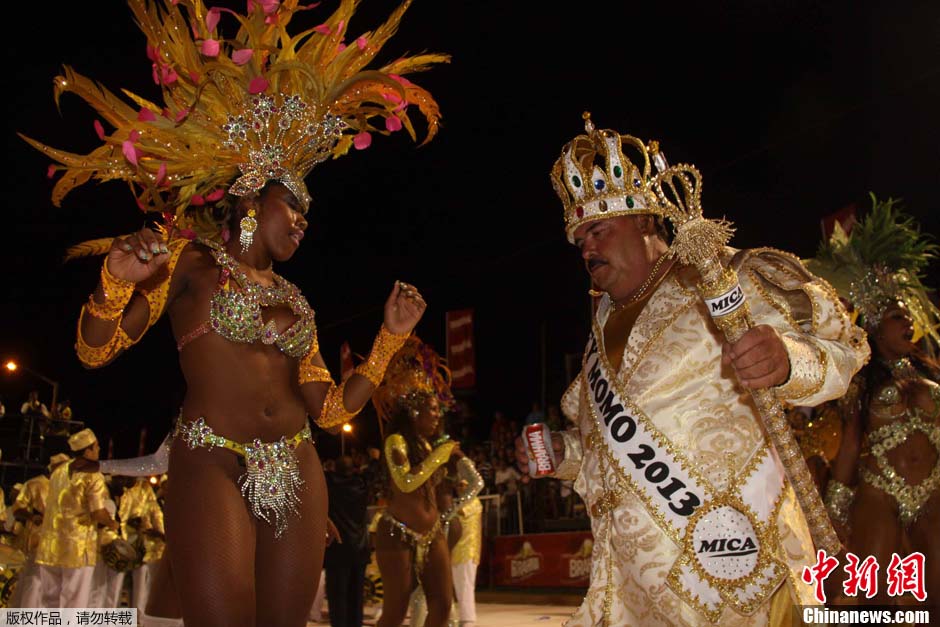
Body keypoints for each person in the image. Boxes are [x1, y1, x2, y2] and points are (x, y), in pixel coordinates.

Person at [21, 2, 446, 625]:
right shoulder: (187, 263)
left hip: (295, 465)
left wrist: (389, 338)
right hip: (212, 457)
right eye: (292, 204)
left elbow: (330, 410)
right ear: (251, 197)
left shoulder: (298, 300)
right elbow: (94, 348)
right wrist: (114, 281)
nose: (303, 221)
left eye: (308, 214)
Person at [515, 115, 870, 625]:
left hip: (735, 574)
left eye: (597, 229)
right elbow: (609, 451)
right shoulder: (599, 333)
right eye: (578, 241)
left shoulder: (722, 276)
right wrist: (563, 454)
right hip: (630, 592)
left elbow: (846, 345)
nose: (586, 248)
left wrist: (786, 359)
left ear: (643, 221)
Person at [807, 196, 940, 606]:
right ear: (877, 326)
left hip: (933, 491)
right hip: (879, 493)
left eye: (908, 316)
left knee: (934, 600)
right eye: (898, 317)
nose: (909, 324)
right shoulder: (860, 382)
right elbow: (849, 444)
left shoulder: (931, 372)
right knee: (877, 605)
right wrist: (834, 513)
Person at [371, 337, 482, 627]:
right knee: (395, 611)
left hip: (432, 534)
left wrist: (454, 479)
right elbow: (406, 483)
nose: (437, 415)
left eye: (438, 410)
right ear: (413, 412)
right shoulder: (396, 441)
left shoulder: (428, 446)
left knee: (443, 605)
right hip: (397, 533)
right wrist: (442, 456)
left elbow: (442, 486)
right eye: (432, 409)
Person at [34, 429, 119, 608]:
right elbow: (97, 512)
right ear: (87, 451)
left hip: (50, 547)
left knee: (50, 600)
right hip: (77, 549)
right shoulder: (93, 475)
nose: (99, 449)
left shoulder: (58, 471)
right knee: (74, 601)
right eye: (95, 447)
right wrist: (112, 523)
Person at [11, 453, 71, 608]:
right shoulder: (35, 484)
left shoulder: (68, 488)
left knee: (50, 585)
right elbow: (17, 508)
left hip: (60, 544)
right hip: (38, 542)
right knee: (34, 581)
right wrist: (32, 516)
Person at [323, 455, 371, 627]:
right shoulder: (361, 485)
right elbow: (371, 473)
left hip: (337, 549)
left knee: (338, 597)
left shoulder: (330, 485)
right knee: (356, 596)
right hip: (360, 548)